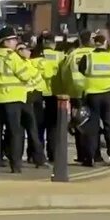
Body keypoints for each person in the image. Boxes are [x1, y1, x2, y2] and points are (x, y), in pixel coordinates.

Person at [0, 26, 34, 173]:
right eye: (13, 40)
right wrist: (27, 60)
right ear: (5, 42)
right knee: (14, 132)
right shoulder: (12, 57)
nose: (15, 42)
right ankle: (15, 165)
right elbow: (26, 75)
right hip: (12, 99)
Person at [79, 34, 110, 166]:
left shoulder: (88, 57)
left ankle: (90, 157)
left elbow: (82, 70)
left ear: (94, 43)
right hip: (108, 95)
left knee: (92, 127)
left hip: (92, 95)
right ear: (105, 43)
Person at [62, 31, 95, 162]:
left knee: (79, 123)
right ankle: (93, 153)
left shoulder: (73, 54)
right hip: (92, 91)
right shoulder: (94, 54)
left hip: (76, 93)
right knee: (93, 123)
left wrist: (68, 90)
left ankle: (82, 154)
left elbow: (65, 73)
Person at [18, 43, 47, 167]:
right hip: (28, 97)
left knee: (24, 130)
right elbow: (35, 79)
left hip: (30, 97)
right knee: (31, 129)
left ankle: (31, 157)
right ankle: (37, 157)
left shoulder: (29, 63)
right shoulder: (23, 64)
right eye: (26, 49)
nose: (29, 51)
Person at [38, 32, 65, 161]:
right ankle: (53, 154)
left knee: (38, 126)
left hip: (39, 93)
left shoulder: (37, 55)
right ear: (53, 43)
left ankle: (36, 154)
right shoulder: (60, 56)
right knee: (53, 127)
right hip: (54, 94)